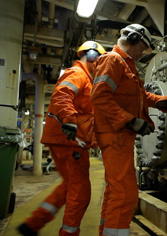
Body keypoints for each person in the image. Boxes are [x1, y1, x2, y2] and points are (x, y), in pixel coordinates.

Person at [90, 23, 167, 236]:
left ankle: (105, 231)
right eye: (142, 48)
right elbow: (99, 96)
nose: (142, 53)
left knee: (115, 189)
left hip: (120, 135)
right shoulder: (112, 60)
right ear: (133, 39)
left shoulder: (126, 66)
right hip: (114, 134)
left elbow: (141, 97)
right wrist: (131, 120)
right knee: (125, 193)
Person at [18, 41, 106, 236]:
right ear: (91, 55)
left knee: (69, 186)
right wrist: (69, 121)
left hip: (65, 139)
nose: (99, 64)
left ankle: (33, 223)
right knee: (81, 192)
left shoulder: (85, 78)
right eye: (98, 59)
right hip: (70, 140)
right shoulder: (78, 74)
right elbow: (62, 96)